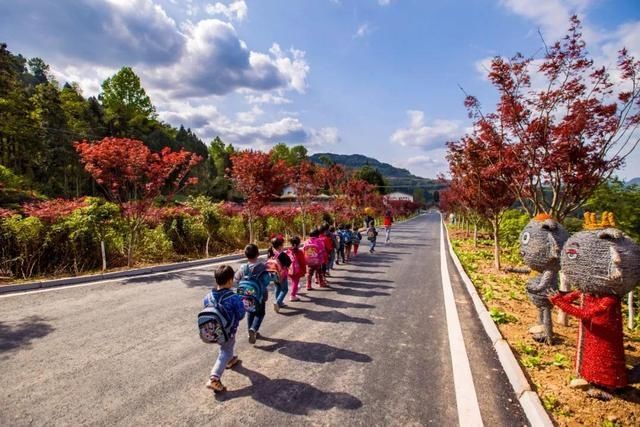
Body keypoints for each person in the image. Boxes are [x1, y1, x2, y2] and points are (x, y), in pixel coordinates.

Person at [204, 265, 245, 393]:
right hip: (228, 331)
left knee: (226, 347)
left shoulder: (208, 296)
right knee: (225, 351)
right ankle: (214, 378)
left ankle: (231, 359)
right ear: (229, 281)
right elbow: (241, 314)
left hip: (212, 330)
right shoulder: (233, 298)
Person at [234, 244, 273, 344]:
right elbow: (266, 281)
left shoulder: (243, 267)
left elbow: (236, 279)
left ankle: (250, 331)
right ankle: (254, 329)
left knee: (250, 312)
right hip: (259, 296)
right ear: (258, 254)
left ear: (245, 255)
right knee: (260, 313)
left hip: (245, 295)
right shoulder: (262, 267)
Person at [269, 236, 291, 313]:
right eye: (282, 245)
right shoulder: (282, 255)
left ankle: (279, 302)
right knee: (284, 289)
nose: (283, 247)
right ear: (279, 246)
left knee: (277, 288)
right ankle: (277, 302)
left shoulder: (271, 252)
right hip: (282, 275)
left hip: (274, 275)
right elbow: (288, 262)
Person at [286, 236, 306, 302]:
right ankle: (292, 295)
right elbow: (302, 262)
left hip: (289, 269)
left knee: (293, 281)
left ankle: (295, 290)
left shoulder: (288, 251)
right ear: (299, 243)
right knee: (295, 282)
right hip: (296, 271)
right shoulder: (299, 252)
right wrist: (304, 270)